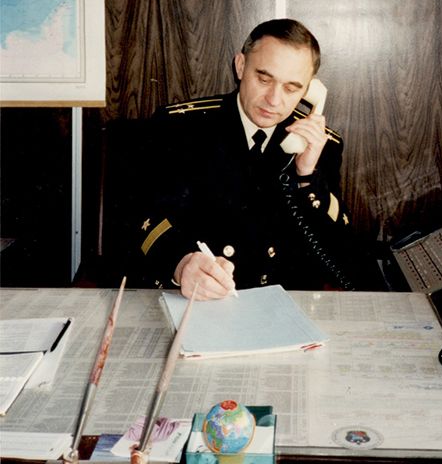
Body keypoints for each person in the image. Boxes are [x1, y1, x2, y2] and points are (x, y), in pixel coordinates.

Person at [133, 19, 374, 298]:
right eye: (264, 79)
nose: (274, 100)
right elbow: (145, 219)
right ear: (240, 66)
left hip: (285, 303)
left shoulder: (321, 145)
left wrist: (307, 176)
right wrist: (181, 264)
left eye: (292, 88)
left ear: (309, 91)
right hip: (206, 300)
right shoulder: (180, 128)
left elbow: (340, 247)